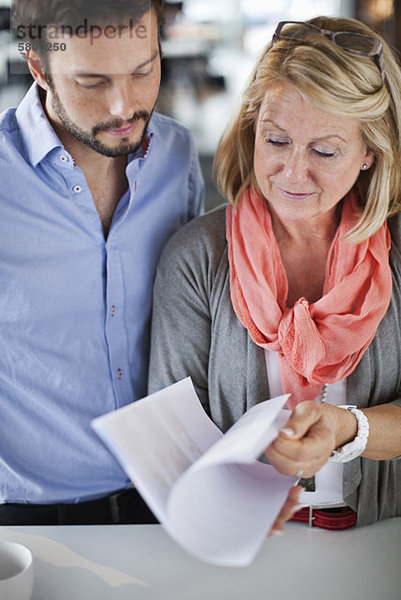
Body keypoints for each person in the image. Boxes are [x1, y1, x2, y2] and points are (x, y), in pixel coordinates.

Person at [148, 16, 401, 532]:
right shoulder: (196, 259)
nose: (292, 173)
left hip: (382, 539)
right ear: (251, 129)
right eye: (277, 141)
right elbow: (170, 438)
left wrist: (347, 428)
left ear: (370, 154)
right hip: (241, 542)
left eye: (325, 151)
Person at [0, 0, 204, 525]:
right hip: (28, 521)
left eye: (144, 71)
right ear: (40, 67)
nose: (123, 106)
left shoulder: (177, 155)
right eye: (92, 81)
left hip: (170, 498)